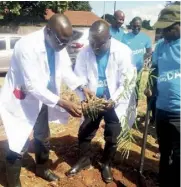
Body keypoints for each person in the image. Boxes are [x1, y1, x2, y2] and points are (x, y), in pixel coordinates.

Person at [0, 14, 87, 187]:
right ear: (48, 31)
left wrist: (81, 88)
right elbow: (32, 86)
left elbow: (66, 71)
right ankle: (13, 183)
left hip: (44, 99)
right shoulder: (26, 46)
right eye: (61, 41)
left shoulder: (58, 45)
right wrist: (63, 103)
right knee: (19, 142)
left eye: (66, 43)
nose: (63, 46)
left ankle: (42, 168)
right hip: (21, 100)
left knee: (43, 136)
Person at [66, 20, 137, 183]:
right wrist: (85, 92)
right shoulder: (85, 51)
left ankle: (106, 163)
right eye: (92, 42)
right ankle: (84, 160)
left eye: (99, 44)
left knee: (112, 135)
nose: (95, 47)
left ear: (109, 38)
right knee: (85, 131)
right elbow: (79, 76)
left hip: (114, 101)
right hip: (93, 101)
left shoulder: (122, 52)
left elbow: (128, 80)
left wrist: (114, 99)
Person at [145, 4, 180, 187]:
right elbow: (155, 69)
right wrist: (150, 86)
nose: (163, 32)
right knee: (164, 151)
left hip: (179, 112)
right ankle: (164, 182)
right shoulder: (160, 46)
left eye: (167, 28)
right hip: (161, 109)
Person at [122, 17, 152, 105]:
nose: (136, 28)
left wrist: (145, 61)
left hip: (138, 69)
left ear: (141, 26)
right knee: (126, 87)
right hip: (127, 68)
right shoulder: (125, 37)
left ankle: (134, 106)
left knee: (136, 88)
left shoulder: (145, 38)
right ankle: (125, 105)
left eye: (138, 26)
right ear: (131, 25)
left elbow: (149, 51)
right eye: (134, 26)